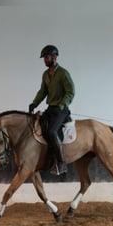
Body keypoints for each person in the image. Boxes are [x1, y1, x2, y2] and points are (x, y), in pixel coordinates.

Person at [28, 45, 75, 175]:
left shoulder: (63, 73)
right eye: (44, 58)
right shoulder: (45, 74)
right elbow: (42, 91)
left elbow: (71, 92)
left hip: (61, 109)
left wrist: (62, 104)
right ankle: (48, 159)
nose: (45, 60)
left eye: (47, 57)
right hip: (51, 108)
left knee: (52, 131)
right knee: (40, 128)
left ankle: (61, 163)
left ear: (54, 57)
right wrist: (34, 103)